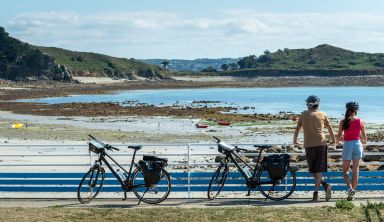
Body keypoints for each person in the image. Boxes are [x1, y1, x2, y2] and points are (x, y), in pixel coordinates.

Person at [293, 95, 336, 201]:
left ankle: (315, 194)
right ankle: (325, 185)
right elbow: (330, 129)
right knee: (315, 170)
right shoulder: (322, 114)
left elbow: (297, 128)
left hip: (310, 145)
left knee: (315, 170)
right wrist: (334, 141)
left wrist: (295, 140)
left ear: (308, 104)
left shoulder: (304, 114)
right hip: (320, 144)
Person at [337, 101, 367, 201]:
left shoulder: (343, 121)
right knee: (355, 170)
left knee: (345, 171)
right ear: (356, 110)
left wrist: (339, 142)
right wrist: (363, 141)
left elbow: (339, 137)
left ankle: (350, 189)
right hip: (357, 145)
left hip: (348, 145)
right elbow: (364, 138)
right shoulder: (361, 121)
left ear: (347, 110)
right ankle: (352, 193)